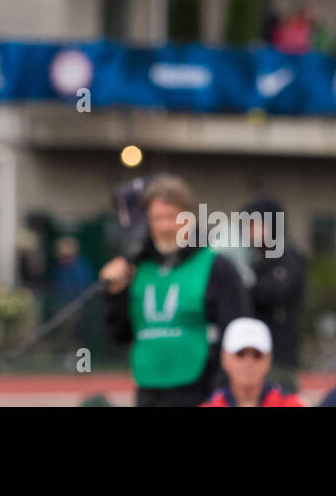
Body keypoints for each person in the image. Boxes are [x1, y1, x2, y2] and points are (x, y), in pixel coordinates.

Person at [99, 174, 252, 406]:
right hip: (149, 387)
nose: (165, 226)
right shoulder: (137, 268)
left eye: (173, 217)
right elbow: (120, 334)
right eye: (156, 218)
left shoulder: (217, 266)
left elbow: (238, 332)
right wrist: (115, 294)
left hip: (199, 389)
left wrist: (222, 387)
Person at [241, 196, 305, 393]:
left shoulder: (286, 257)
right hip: (255, 352)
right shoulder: (255, 258)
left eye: (255, 224)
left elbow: (272, 292)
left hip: (279, 356)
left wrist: (244, 287)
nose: (249, 230)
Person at [200, 318, 306, 406]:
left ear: (269, 360)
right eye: (240, 354)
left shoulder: (291, 403)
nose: (249, 362)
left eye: (257, 355)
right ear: (224, 358)